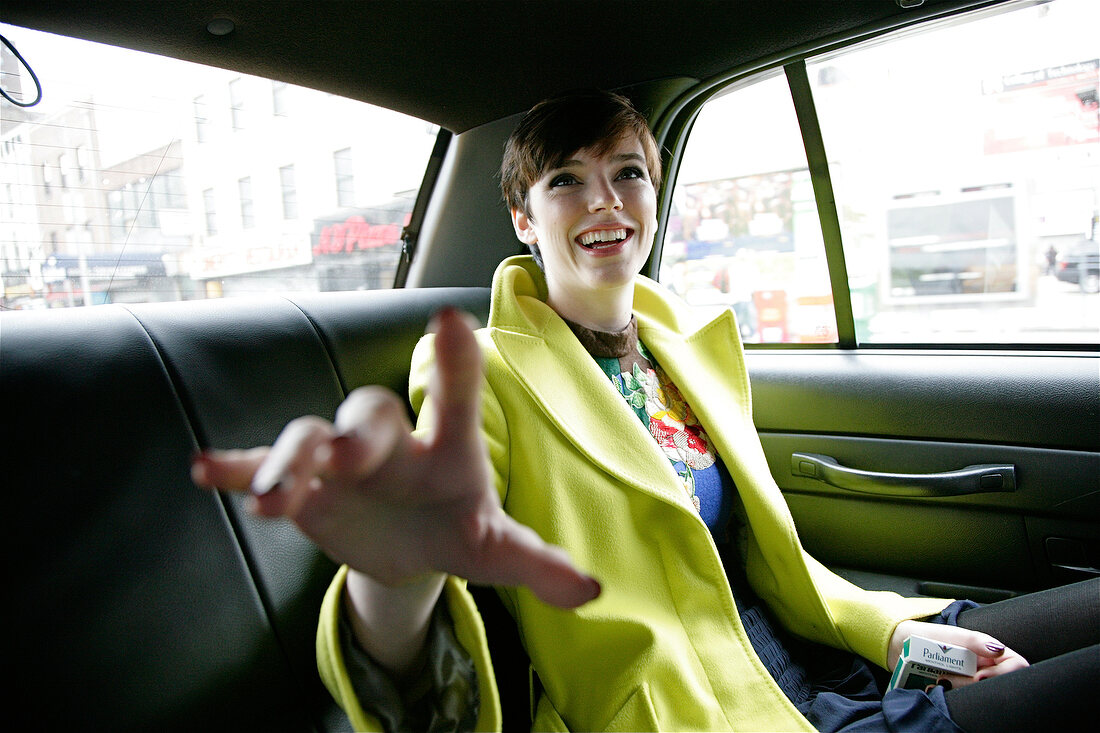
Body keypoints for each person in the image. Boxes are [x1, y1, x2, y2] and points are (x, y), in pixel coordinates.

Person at [193, 90, 1097, 732]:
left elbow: (771, 569)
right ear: (521, 216)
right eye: (565, 182)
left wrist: (897, 631)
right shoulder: (484, 367)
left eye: (627, 173)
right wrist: (395, 576)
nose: (604, 202)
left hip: (823, 651)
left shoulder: (687, 337)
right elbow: (424, 613)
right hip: (692, 709)